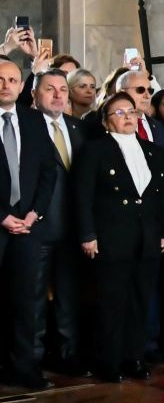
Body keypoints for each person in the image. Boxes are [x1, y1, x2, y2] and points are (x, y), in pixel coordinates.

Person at [75, 92, 164, 383]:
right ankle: (109, 361)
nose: (128, 117)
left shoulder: (153, 151)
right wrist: (87, 234)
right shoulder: (94, 151)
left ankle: (134, 357)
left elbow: (163, 196)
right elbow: (83, 197)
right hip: (111, 235)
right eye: (119, 113)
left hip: (147, 237)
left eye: (131, 111)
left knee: (141, 299)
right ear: (106, 122)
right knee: (112, 301)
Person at [0, 60, 59, 390]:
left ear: (23, 86)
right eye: (0, 79)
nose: (6, 85)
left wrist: (35, 212)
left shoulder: (34, 120)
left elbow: (48, 171)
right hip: (1, 221)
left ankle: (23, 368)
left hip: (27, 225)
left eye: (12, 80)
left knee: (25, 300)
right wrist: (2, 216)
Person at [29, 70, 87, 378]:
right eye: (49, 89)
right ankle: (33, 356)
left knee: (69, 295)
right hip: (37, 228)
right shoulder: (25, 127)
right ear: (35, 94)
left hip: (73, 228)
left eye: (62, 89)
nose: (57, 95)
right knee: (33, 297)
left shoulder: (78, 128)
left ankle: (68, 353)